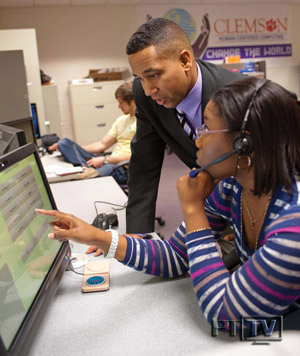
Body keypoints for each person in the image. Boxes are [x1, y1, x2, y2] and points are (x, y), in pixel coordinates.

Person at [36, 77, 300, 328]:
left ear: (244, 143)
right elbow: (176, 255)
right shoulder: (233, 188)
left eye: (207, 127)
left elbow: (223, 314)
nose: (198, 137)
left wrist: (194, 208)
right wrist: (98, 237)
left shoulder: (293, 225)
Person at [125, 17, 242, 233]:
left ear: (185, 60)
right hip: (210, 206)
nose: (148, 89)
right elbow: (143, 164)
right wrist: (137, 234)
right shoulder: (145, 95)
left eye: (153, 75)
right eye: (140, 78)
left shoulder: (235, 92)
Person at [48, 81, 136, 183]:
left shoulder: (143, 123)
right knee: (64, 143)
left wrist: (105, 160)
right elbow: (102, 145)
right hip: (107, 161)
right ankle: (89, 169)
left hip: (122, 166)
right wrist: (74, 148)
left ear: (133, 102)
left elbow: (137, 155)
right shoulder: (121, 120)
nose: (119, 106)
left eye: (121, 103)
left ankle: (91, 171)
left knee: (109, 166)